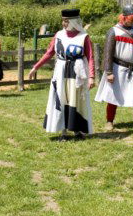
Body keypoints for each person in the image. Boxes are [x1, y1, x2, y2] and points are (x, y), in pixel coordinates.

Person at [27, 8, 95, 139]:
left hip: (77, 72)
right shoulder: (59, 35)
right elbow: (49, 53)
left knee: (76, 100)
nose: (63, 23)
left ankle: (77, 130)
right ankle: (63, 131)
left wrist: (91, 76)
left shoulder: (83, 36)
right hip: (61, 71)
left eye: (66, 21)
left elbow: (90, 57)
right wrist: (36, 67)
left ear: (73, 21)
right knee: (61, 99)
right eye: (63, 21)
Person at [95, 4, 133, 130]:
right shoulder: (114, 31)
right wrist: (109, 72)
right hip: (118, 68)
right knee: (113, 95)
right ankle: (109, 121)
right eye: (132, 19)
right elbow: (107, 53)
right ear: (124, 17)